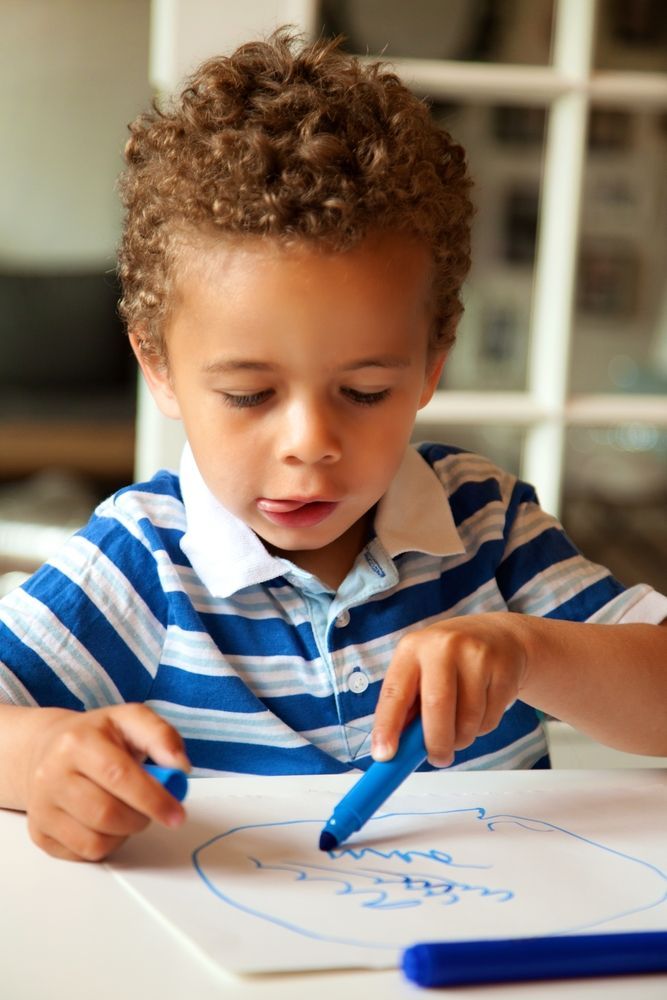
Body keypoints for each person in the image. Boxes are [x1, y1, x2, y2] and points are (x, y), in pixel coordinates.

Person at [1, 31, 665, 863]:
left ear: (431, 363)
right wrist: (39, 760)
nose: (310, 444)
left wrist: (527, 650)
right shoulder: (143, 564)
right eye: (249, 395)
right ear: (159, 367)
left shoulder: (488, 526)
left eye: (364, 392)